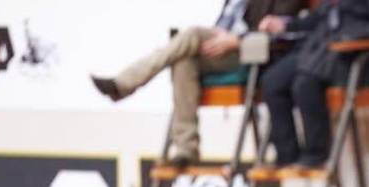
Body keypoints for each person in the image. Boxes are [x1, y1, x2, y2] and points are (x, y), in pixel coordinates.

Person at [90, 0, 306, 168]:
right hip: (223, 46)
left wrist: (235, 40)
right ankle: (186, 149)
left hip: (252, 50)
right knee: (183, 60)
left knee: (191, 35)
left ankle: (124, 83)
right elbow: (224, 23)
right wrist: (221, 39)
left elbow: (283, 30)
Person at [258, 0, 369, 169]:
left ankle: (315, 154)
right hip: (320, 49)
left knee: (305, 82)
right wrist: (284, 24)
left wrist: (345, 37)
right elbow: (315, 20)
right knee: (272, 81)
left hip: (354, 53)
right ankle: (286, 154)